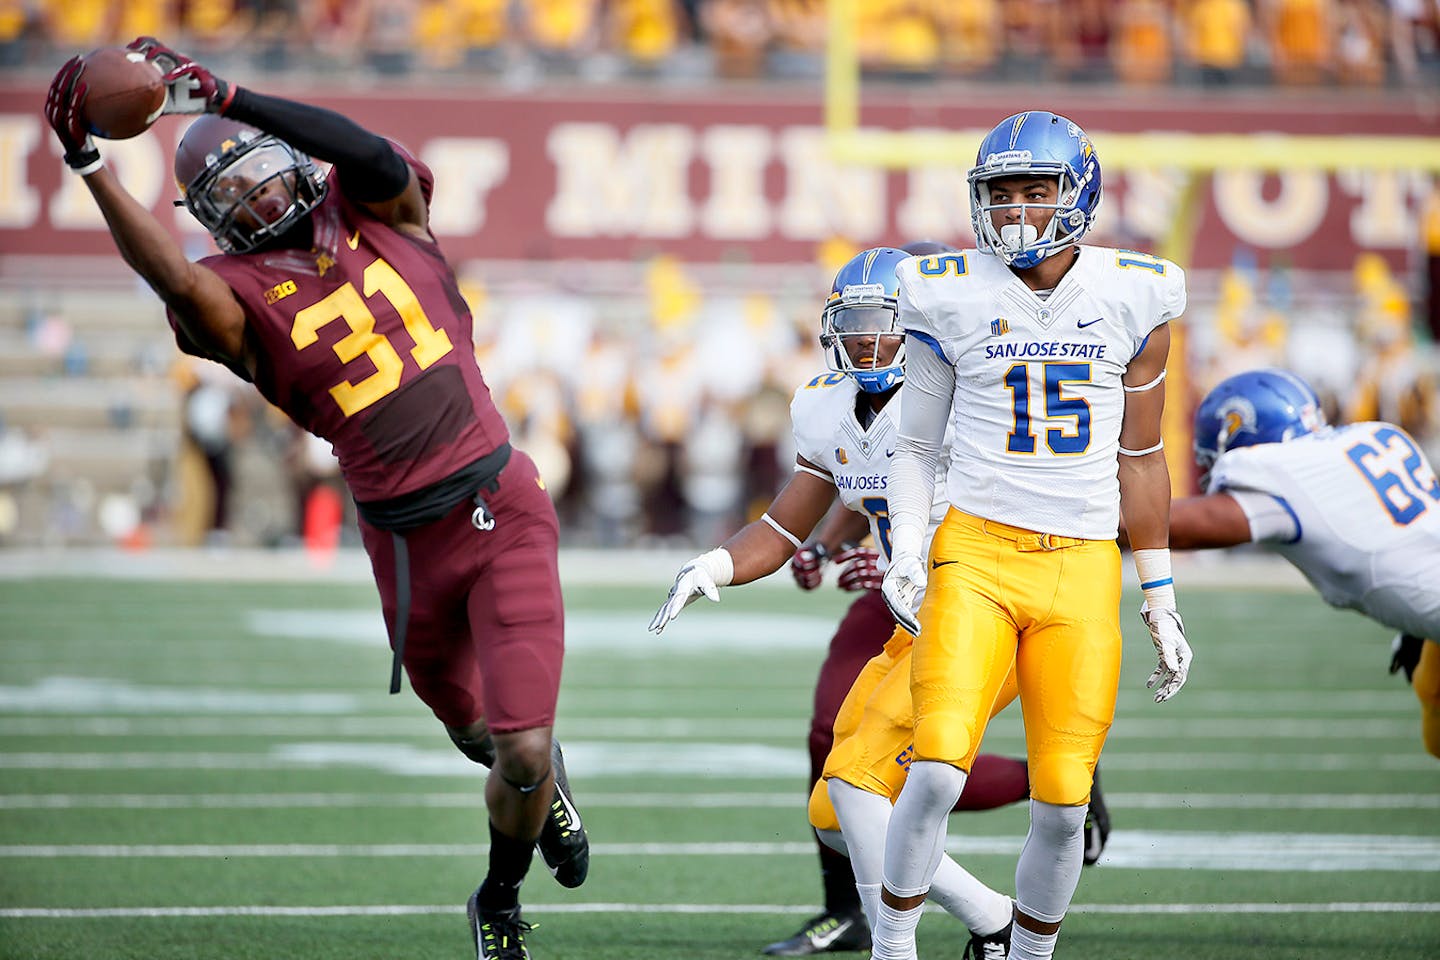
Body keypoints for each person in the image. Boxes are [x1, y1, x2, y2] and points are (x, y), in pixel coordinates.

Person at [45, 38, 588, 960]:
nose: (255, 201)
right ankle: (539, 790)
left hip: (501, 507)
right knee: (471, 730)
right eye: (231, 199)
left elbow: (369, 151)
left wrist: (230, 94)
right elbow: (172, 278)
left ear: (293, 160)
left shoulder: (383, 205)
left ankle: (498, 895)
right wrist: (90, 165)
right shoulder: (231, 299)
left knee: (522, 748)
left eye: (260, 176)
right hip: (406, 545)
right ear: (211, 222)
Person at [650, 245, 1049, 960]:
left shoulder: (969, 394)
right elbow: (781, 524)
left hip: (981, 606)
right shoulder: (826, 402)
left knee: (859, 782)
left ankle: (896, 946)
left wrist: (914, 557)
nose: (867, 338)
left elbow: (1015, 507)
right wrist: (714, 564)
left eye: (885, 321)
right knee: (834, 812)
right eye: (854, 321)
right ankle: (994, 920)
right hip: (914, 618)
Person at [872, 110, 1192, 960]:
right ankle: (892, 945)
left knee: (1062, 796)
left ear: (1077, 191)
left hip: (1082, 564)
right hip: (975, 549)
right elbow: (915, 444)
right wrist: (907, 550)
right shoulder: (945, 287)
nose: (1015, 209)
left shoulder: (1136, 291)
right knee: (937, 764)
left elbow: (1144, 455)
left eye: (1034, 190)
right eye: (1000, 193)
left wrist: (1159, 597)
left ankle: (1029, 955)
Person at [1163, 368, 1440, 758]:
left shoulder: (1283, 476)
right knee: (1432, 692)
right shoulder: (1375, 434)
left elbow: (1171, 527)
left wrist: (1070, 514)